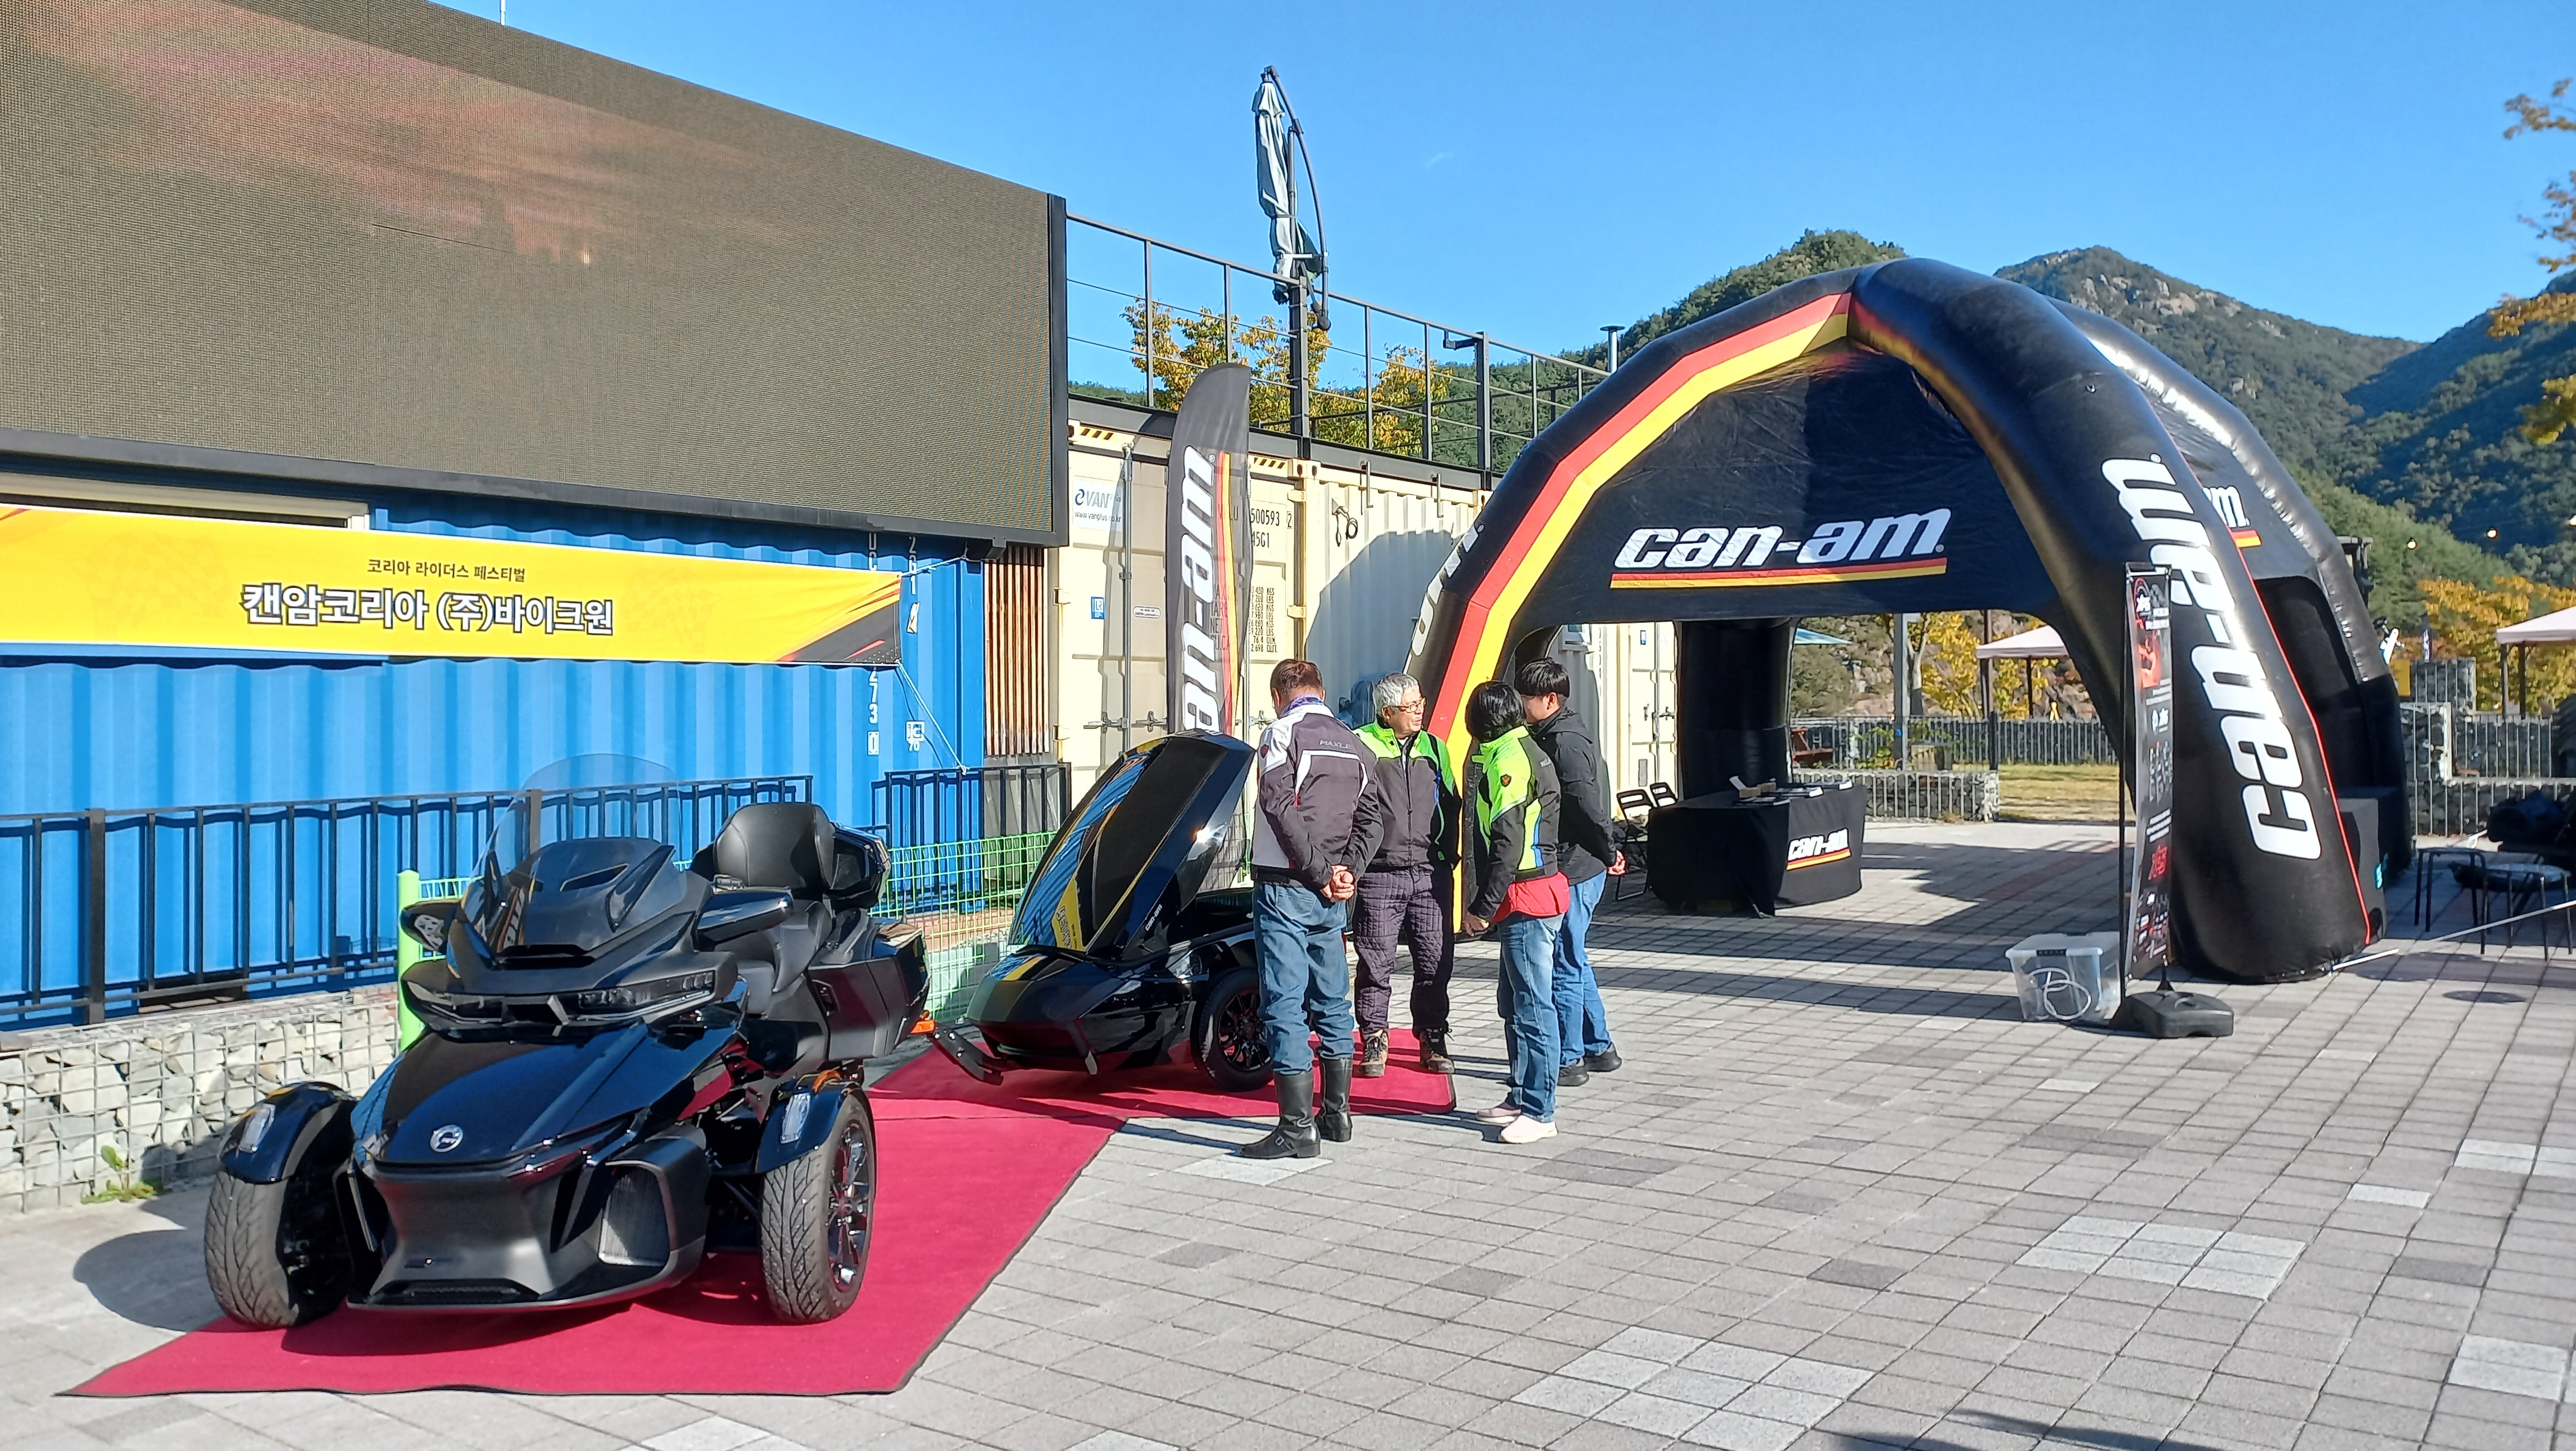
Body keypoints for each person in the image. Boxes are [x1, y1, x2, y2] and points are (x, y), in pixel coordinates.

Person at [1241, 658, 1384, 1160]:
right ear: (1321, 691)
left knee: (1284, 1003)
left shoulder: (1281, 734)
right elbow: (1373, 820)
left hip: (1286, 885)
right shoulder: (1356, 743)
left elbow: (1278, 807)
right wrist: (1348, 871)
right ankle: (1338, 1115)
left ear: (1279, 695)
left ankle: (1296, 1128)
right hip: (1333, 893)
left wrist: (1321, 872)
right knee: (1332, 999)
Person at [1460, 681, 1567, 1145]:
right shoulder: (1516, 748)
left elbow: (1507, 842)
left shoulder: (1509, 760)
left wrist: (1481, 909)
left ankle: (1540, 1110)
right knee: (1514, 1002)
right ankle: (1522, 1094)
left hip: (1528, 895)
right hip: (1526, 894)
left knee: (1533, 1006)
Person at [1516, 659, 1624, 1088]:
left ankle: (1570, 1057)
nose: (1521, 705)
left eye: (1527, 699)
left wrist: (1609, 851)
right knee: (1574, 958)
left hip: (1577, 866)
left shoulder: (1564, 743)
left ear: (1550, 700)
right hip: (1580, 862)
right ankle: (1599, 1046)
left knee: (1564, 961)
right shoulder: (1552, 733)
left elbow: (1587, 805)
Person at [1350, 671, 1459, 1077]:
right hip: (1379, 874)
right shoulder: (1361, 744)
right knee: (1375, 963)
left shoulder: (1435, 747)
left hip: (1430, 873)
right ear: (1387, 712)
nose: (1419, 712)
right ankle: (1374, 1037)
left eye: (1420, 704)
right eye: (1410, 707)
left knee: (1434, 961)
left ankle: (1432, 1035)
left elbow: (1451, 802)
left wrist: (1447, 855)